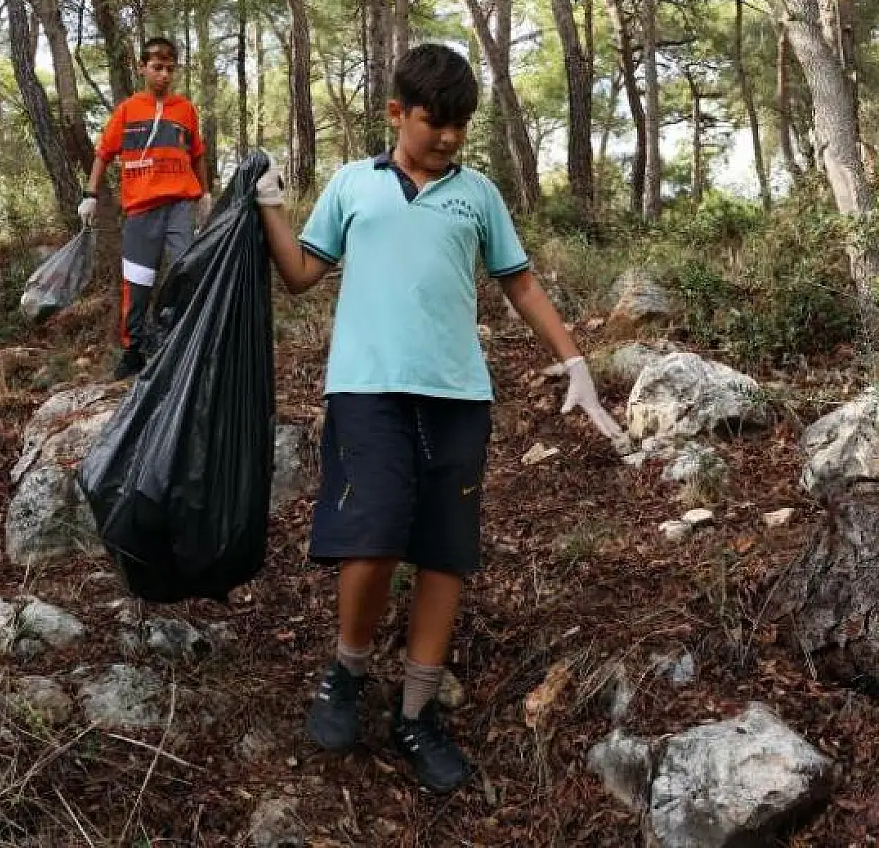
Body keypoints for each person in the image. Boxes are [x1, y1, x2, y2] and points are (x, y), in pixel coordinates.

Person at [254, 43, 628, 794]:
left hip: (459, 395)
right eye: (435, 122)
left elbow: (519, 284)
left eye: (460, 124)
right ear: (397, 112)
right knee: (375, 530)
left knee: (446, 551)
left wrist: (576, 361)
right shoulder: (353, 185)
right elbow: (300, 275)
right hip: (366, 389)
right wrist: (268, 205)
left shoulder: (478, 194)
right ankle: (347, 669)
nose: (449, 137)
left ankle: (417, 711)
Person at [80, 37, 212, 380]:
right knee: (137, 282)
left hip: (180, 206)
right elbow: (103, 153)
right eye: (157, 67)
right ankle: (134, 349)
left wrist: (205, 195)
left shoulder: (185, 110)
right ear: (142, 68)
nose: (164, 75)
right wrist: (90, 194)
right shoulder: (127, 110)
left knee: (186, 270)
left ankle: (181, 344)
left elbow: (197, 155)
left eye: (170, 68)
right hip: (140, 211)